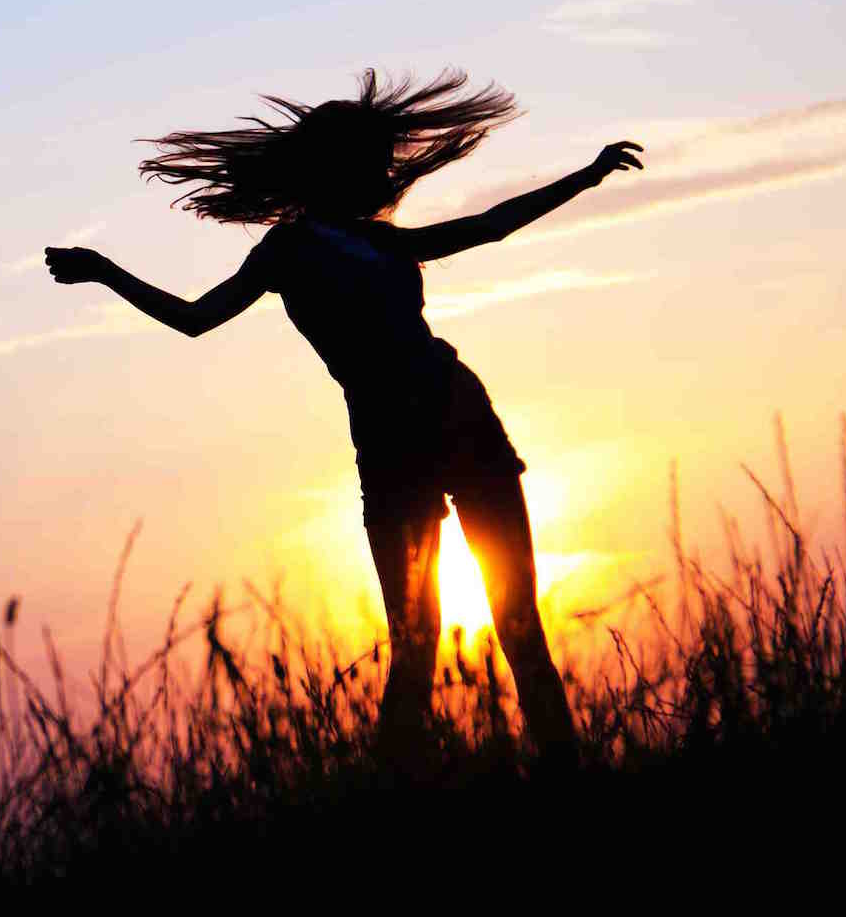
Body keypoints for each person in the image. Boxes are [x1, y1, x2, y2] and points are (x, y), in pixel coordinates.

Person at [44, 67, 643, 770]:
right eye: (368, 158)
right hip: (390, 446)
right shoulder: (287, 251)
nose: (381, 170)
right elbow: (195, 320)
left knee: (520, 629)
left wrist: (587, 177)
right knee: (415, 649)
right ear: (336, 165)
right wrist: (107, 272)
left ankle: (569, 780)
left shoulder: (385, 241)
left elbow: (489, 227)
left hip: (462, 418)